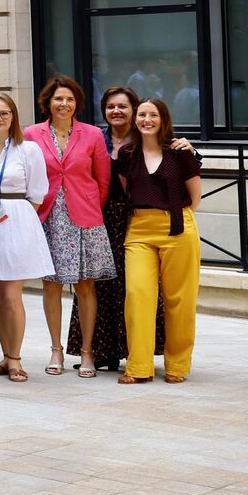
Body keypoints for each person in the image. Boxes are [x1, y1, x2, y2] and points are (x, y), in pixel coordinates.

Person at [26, 75, 114, 378]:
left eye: (70, 99)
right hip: (47, 217)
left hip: (84, 218)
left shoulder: (91, 134)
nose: (64, 104)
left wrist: (87, 204)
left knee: (86, 286)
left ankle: (87, 352)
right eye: (58, 99)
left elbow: (103, 181)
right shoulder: (31, 134)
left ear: (77, 103)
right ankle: (56, 350)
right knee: (51, 285)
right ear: (48, 102)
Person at [76, 87, 164, 372]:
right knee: (97, 282)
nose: (117, 111)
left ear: (134, 110)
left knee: (134, 284)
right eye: (111, 106)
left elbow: (178, 158)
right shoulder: (93, 138)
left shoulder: (146, 138)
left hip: (133, 217)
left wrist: (191, 147)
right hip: (96, 216)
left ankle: (138, 349)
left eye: (123, 107)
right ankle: (101, 351)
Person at [116, 98, 202, 384]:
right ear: (135, 119)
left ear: (163, 119)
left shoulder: (180, 153)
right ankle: (139, 367)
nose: (147, 120)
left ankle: (177, 366)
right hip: (140, 228)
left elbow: (195, 198)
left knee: (179, 299)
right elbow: (130, 191)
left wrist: (175, 217)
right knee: (138, 296)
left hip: (177, 227)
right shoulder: (128, 154)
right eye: (142, 114)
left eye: (153, 115)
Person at [0, 92, 51, 383]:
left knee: (11, 294)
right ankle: (5, 355)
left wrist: (16, 220)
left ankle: (16, 357)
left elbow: (38, 192)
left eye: (4, 113)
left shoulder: (27, 149)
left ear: (13, 117)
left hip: (16, 219)